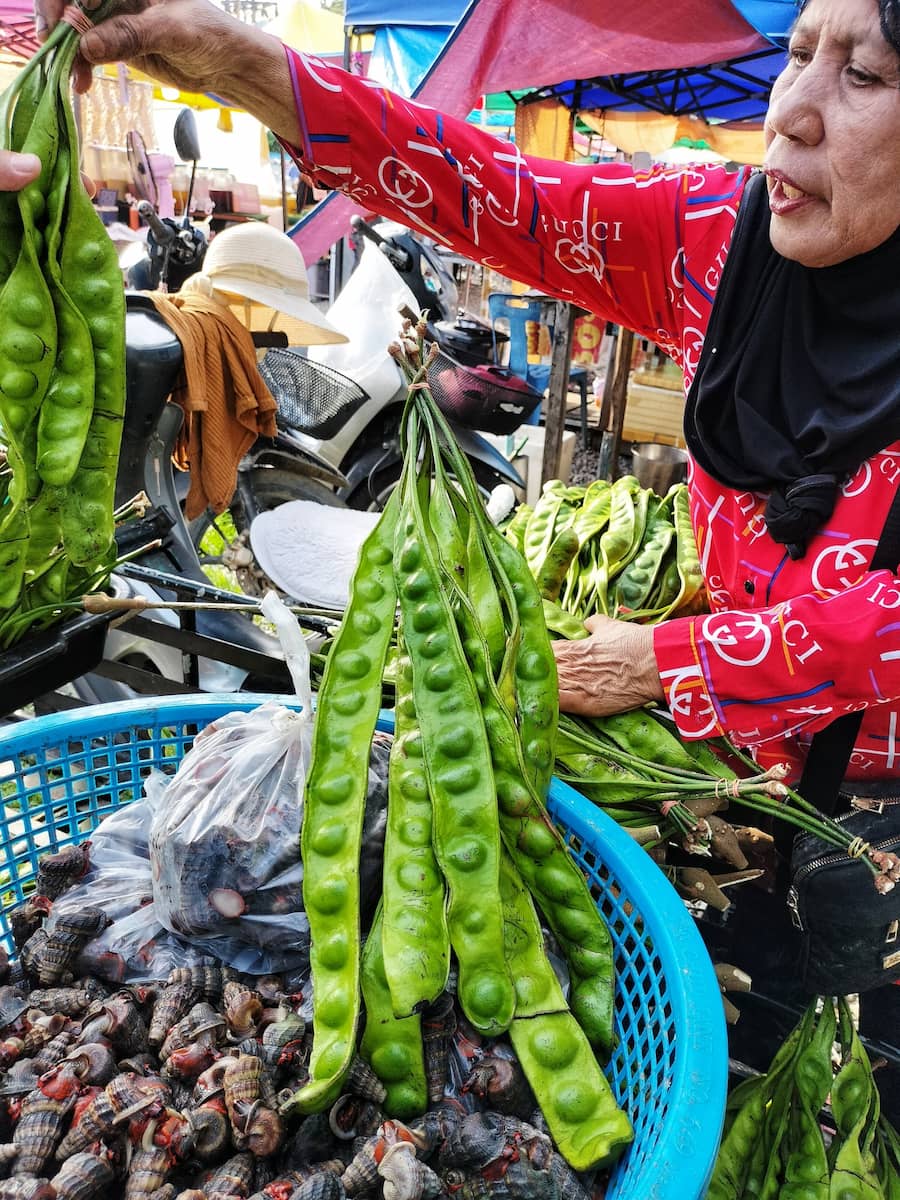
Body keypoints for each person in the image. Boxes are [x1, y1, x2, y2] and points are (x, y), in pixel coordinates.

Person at [34, 0, 900, 788]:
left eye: (862, 74)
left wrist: (673, 662)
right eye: (797, 54)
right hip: (720, 769)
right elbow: (486, 187)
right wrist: (226, 55)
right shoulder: (718, 240)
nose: (789, 112)